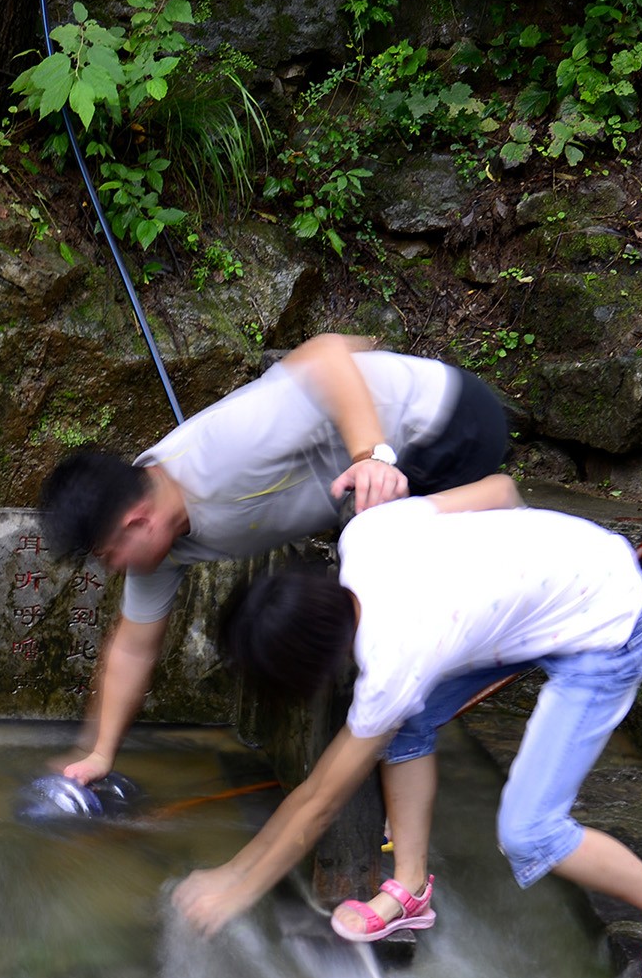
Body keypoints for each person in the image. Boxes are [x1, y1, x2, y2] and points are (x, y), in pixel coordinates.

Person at [37, 335, 507, 937]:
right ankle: (402, 796)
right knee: (395, 686)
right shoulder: (159, 544)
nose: (114, 570)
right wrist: (100, 753)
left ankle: (404, 841)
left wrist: (372, 456)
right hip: (385, 482)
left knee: (402, 665)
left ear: (137, 521)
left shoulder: (224, 450)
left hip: (442, 429)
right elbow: (132, 645)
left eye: (109, 556)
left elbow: (327, 354)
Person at [169, 477, 642, 978]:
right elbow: (501, 489)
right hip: (580, 566)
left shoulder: (395, 659)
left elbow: (319, 801)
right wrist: (512, 585)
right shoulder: (367, 534)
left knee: (530, 833)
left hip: (612, 625)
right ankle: (410, 888)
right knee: (405, 722)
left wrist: (237, 887)